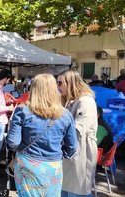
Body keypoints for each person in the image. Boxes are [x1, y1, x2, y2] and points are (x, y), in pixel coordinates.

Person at [7, 74, 78, 197]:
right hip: (53, 165)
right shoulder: (65, 114)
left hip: (27, 163)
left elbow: (13, 142)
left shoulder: (22, 111)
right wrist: (57, 154)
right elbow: (72, 147)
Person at [57, 69, 98, 197]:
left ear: (71, 83)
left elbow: (78, 129)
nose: (57, 87)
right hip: (69, 154)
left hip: (81, 153)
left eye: (60, 83)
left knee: (78, 191)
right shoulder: (69, 100)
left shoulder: (86, 101)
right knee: (65, 189)